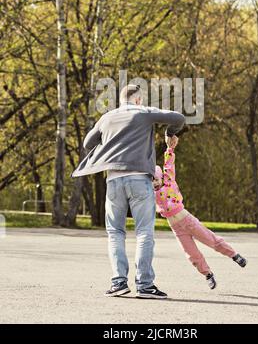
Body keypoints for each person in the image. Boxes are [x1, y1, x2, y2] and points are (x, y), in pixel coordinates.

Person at [72, 84, 185, 299]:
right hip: (139, 179)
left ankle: (118, 283)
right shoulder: (143, 112)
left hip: (114, 180)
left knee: (115, 232)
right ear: (138, 99)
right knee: (144, 231)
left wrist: (110, 144)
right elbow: (178, 118)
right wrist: (169, 133)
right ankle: (144, 285)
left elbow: (88, 143)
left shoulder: (107, 117)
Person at [153, 135, 247, 290]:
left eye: (156, 179)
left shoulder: (169, 180)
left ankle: (234, 255)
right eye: (152, 181)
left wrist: (170, 148)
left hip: (187, 220)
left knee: (211, 240)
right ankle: (208, 274)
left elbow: (169, 164)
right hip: (176, 228)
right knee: (192, 254)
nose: (155, 183)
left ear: (162, 177)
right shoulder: (150, 193)